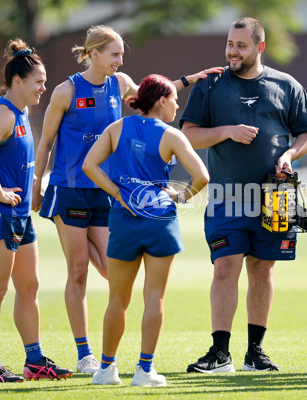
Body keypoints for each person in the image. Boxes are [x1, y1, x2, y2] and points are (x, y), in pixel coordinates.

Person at [32, 25, 222, 374]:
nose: (121, 61)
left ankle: (109, 356)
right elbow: (45, 143)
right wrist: (36, 185)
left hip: (108, 190)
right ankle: (86, 354)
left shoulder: (119, 85)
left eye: (122, 54)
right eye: (115, 54)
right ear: (94, 54)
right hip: (69, 187)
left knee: (108, 269)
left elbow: (153, 98)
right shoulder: (65, 91)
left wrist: (189, 80)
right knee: (77, 273)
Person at [180, 17, 307, 373]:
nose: (232, 51)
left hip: (276, 195)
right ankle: (219, 353)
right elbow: (189, 136)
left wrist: (289, 155)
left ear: (259, 47)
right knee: (225, 268)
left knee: (263, 270)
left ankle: (256, 352)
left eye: (241, 45)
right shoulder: (210, 85)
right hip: (227, 195)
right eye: (229, 44)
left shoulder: (286, 84)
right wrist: (226, 131)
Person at [83, 74, 209, 387]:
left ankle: (106, 369)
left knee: (117, 299)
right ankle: (144, 371)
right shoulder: (171, 135)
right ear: (162, 100)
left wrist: (117, 194)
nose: (177, 106)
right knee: (155, 297)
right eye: (175, 100)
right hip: (160, 222)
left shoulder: (117, 128)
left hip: (123, 221)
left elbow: (89, 166)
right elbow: (202, 176)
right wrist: (180, 197)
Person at [0, 39, 73, 382]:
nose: (44, 88)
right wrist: (0, 191)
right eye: (38, 82)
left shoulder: (22, 112)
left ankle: (34, 361)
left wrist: (32, 190)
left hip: (20, 216)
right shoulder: (2, 113)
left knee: (29, 286)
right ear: (17, 82)